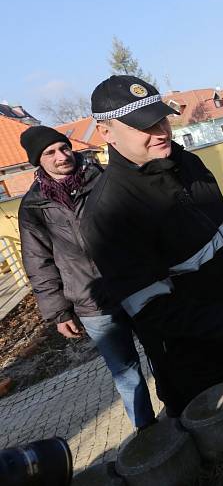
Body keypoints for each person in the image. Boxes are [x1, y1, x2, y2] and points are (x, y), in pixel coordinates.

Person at [81, 75, 223, 417]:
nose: (161, 131)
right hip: (196, 366)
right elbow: (153, 310)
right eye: (143, 127)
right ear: (106, 132)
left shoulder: (188, 163)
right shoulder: (108, 213)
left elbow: (222, 230)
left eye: (161, 119)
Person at [18, 126, 155, 430]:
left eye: (63, 147)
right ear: (37, 161)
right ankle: (148, 432)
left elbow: (140, 222)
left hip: (135, 284)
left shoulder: (104, 178)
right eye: (50, 152)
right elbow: (38, 262)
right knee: (125, 372)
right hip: (92, 303)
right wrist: (58, 312)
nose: (61, 156)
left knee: (163, 351)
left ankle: (183, 409)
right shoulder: (33, 206)